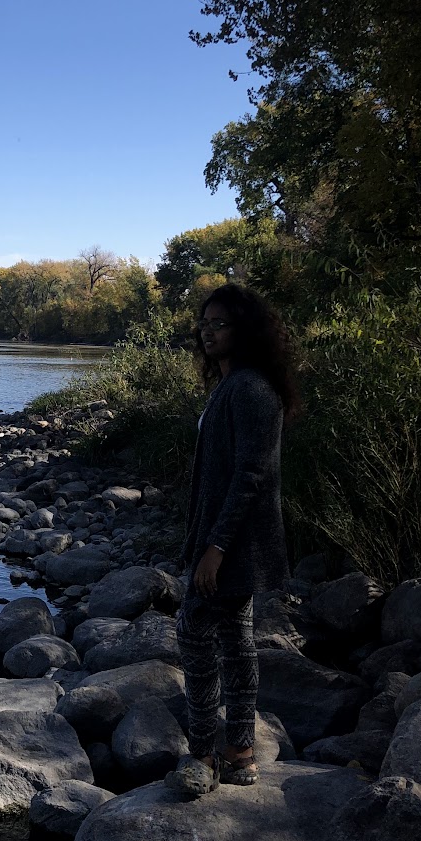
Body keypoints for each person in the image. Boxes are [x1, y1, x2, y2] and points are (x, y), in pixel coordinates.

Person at [167, 283, 297, 798]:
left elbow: (251, 475)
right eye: (204, 323)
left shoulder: (250, 389)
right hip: (227, 538)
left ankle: (203, 754)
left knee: (194, 634)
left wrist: (215, 547)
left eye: (219, 323)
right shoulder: (232, 386)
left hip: (235, 543)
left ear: (245, 330)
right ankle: (240, 753)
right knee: (237, 642)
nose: (207, 332)